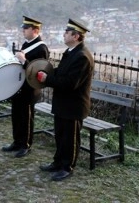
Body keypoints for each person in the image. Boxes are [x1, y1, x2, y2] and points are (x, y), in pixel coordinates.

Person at [36, 18, 94, 181]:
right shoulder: (71, 53)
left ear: (76, 36)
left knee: (70, 138)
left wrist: (47, 79)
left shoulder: (82, 56)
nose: (63, 34)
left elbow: (70, 83)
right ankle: (58, 162)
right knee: (60, 135)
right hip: (63, 103)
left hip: (73, 105)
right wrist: (45, 71)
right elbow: (61, 72)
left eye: (67, 32)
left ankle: (67, 167)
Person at [2, 16, 49, 158]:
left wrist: (24, 61)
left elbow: (39, 72)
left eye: (26, 28)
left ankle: (26, 145)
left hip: (30, 88)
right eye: (23, 27)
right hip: (19, 86)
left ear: (35, 30)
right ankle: (17, 141)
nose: (23, 30)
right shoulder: (26, 44)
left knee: (27, 117)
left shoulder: (41, 48)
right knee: (16, 115)